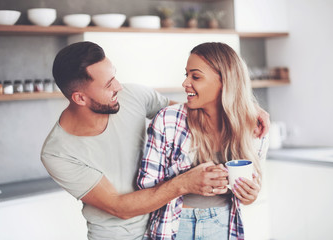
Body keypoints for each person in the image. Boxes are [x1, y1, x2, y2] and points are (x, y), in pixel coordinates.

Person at [41, 41, 269, 240]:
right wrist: (185, 182)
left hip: (165, 223)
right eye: (108, 84)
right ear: (80, 97)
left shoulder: (131, 96)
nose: (119, 86)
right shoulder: (58, 152)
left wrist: (246, 110)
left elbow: (193, 110)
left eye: (114, 77)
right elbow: (118, 207)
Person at [137, 42, 269, 240]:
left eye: (195, 76)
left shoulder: (254, 127)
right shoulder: (168, 120)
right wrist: (186, 182)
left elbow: (250, 186)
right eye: (186, 75)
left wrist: (250, 196)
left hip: (223, 224)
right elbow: (145, 188)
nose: (185, 83)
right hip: (174, 224)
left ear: (225, 81)